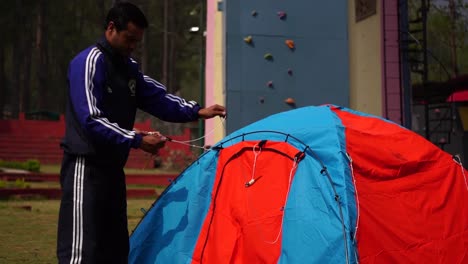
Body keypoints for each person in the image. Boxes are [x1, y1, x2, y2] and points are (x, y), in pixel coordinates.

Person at [56, 2, 226, 263]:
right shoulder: (88, 63)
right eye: (129, 39)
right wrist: (136, 139)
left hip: (113, 170)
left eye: (137, 41)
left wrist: (197, 111)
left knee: (114, 249)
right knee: (82, 251)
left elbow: (158, 98)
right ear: (111, 28)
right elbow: (91, 119)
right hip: (86, 167)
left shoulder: (129, 68)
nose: (133, 46)